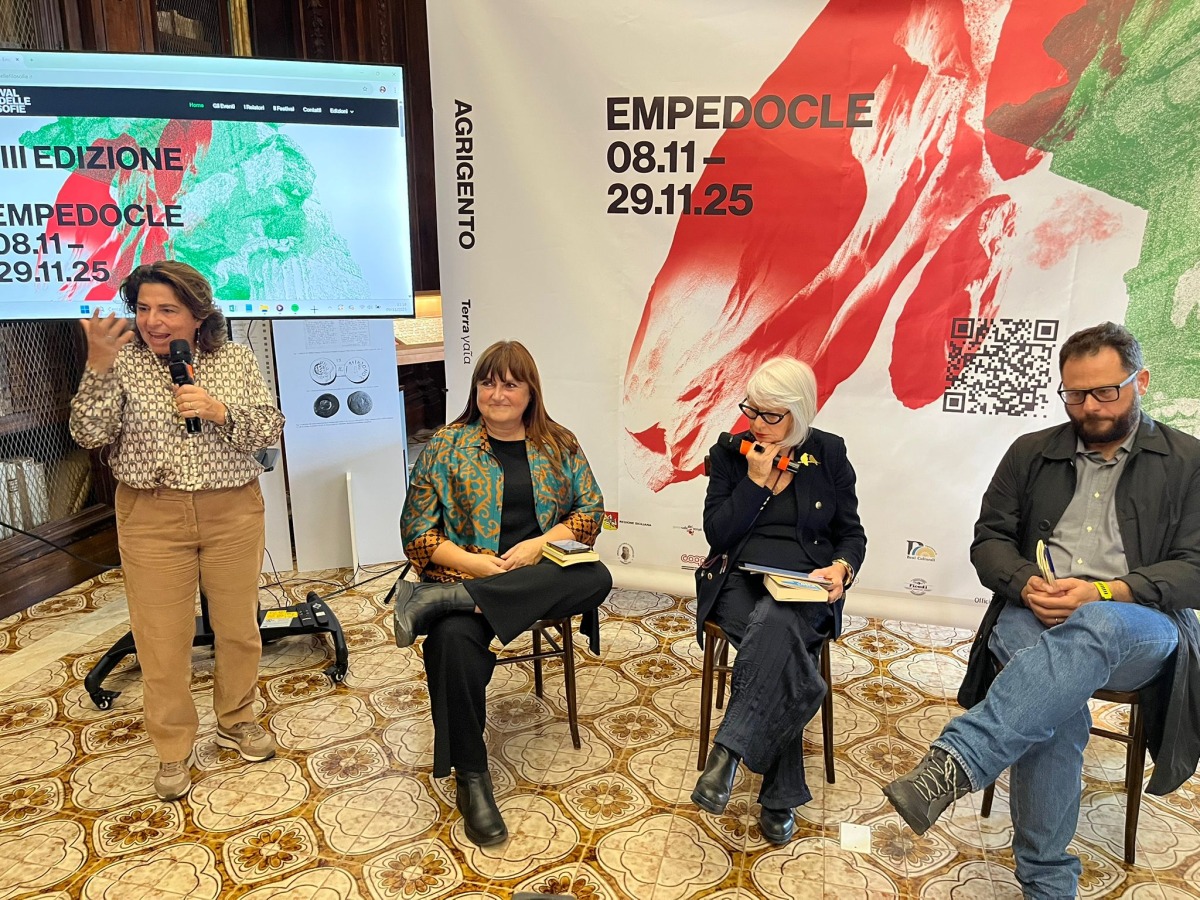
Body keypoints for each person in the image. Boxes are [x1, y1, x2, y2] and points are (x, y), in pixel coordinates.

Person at [884, 323, 1200, 898]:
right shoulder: (1031, 452)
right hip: (1035, 611)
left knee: (1096, 625)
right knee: (1057, 707)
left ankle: (957, 760)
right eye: (1075, 394)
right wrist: (1024, 582)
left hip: (1140, 623)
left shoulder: (1188, 461)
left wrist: (1106, 592)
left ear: (1142, 381)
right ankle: (1048, 884)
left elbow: (1195, 569)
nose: (1090, 407)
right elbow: (990, 540)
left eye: (1105, 392)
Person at [70, 261, 285, 802]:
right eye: (143, 309)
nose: (153, 321)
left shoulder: (234, 358)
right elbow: (88, 433)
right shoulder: (122, 363)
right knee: (161, 641)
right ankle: (172, 747)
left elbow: (269, 428)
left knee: (238, 628)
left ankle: (237, 719)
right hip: (151, 515)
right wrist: (98, 367)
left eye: (167, 309)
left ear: (197, 315)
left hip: (232, 510)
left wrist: (218, 410)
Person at [394, 340, 612, 846]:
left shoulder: (558, 442)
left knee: (596, 576)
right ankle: (472, 778)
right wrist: (472, 565)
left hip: (539, 573)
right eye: (488, 382)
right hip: (464, 574)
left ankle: (446, 603)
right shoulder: (447, 445)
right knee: (451, 644)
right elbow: (416, 532)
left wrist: (539, 544)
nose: (497, 393)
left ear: (531, 391)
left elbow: (590, 512)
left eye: (510, 384)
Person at [691, 356, 866, 844]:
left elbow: (851, 534)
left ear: (800, 412)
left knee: (777, 618)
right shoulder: (731, 453)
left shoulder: (829, 453)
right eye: (752, 411)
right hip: (739, 580)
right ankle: (779, 794)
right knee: (781, 637)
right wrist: (754, 480)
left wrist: (842, 568)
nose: (758, 424)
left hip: (805, 583)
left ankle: (727, 754)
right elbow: (717, 534)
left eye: (772, 415)